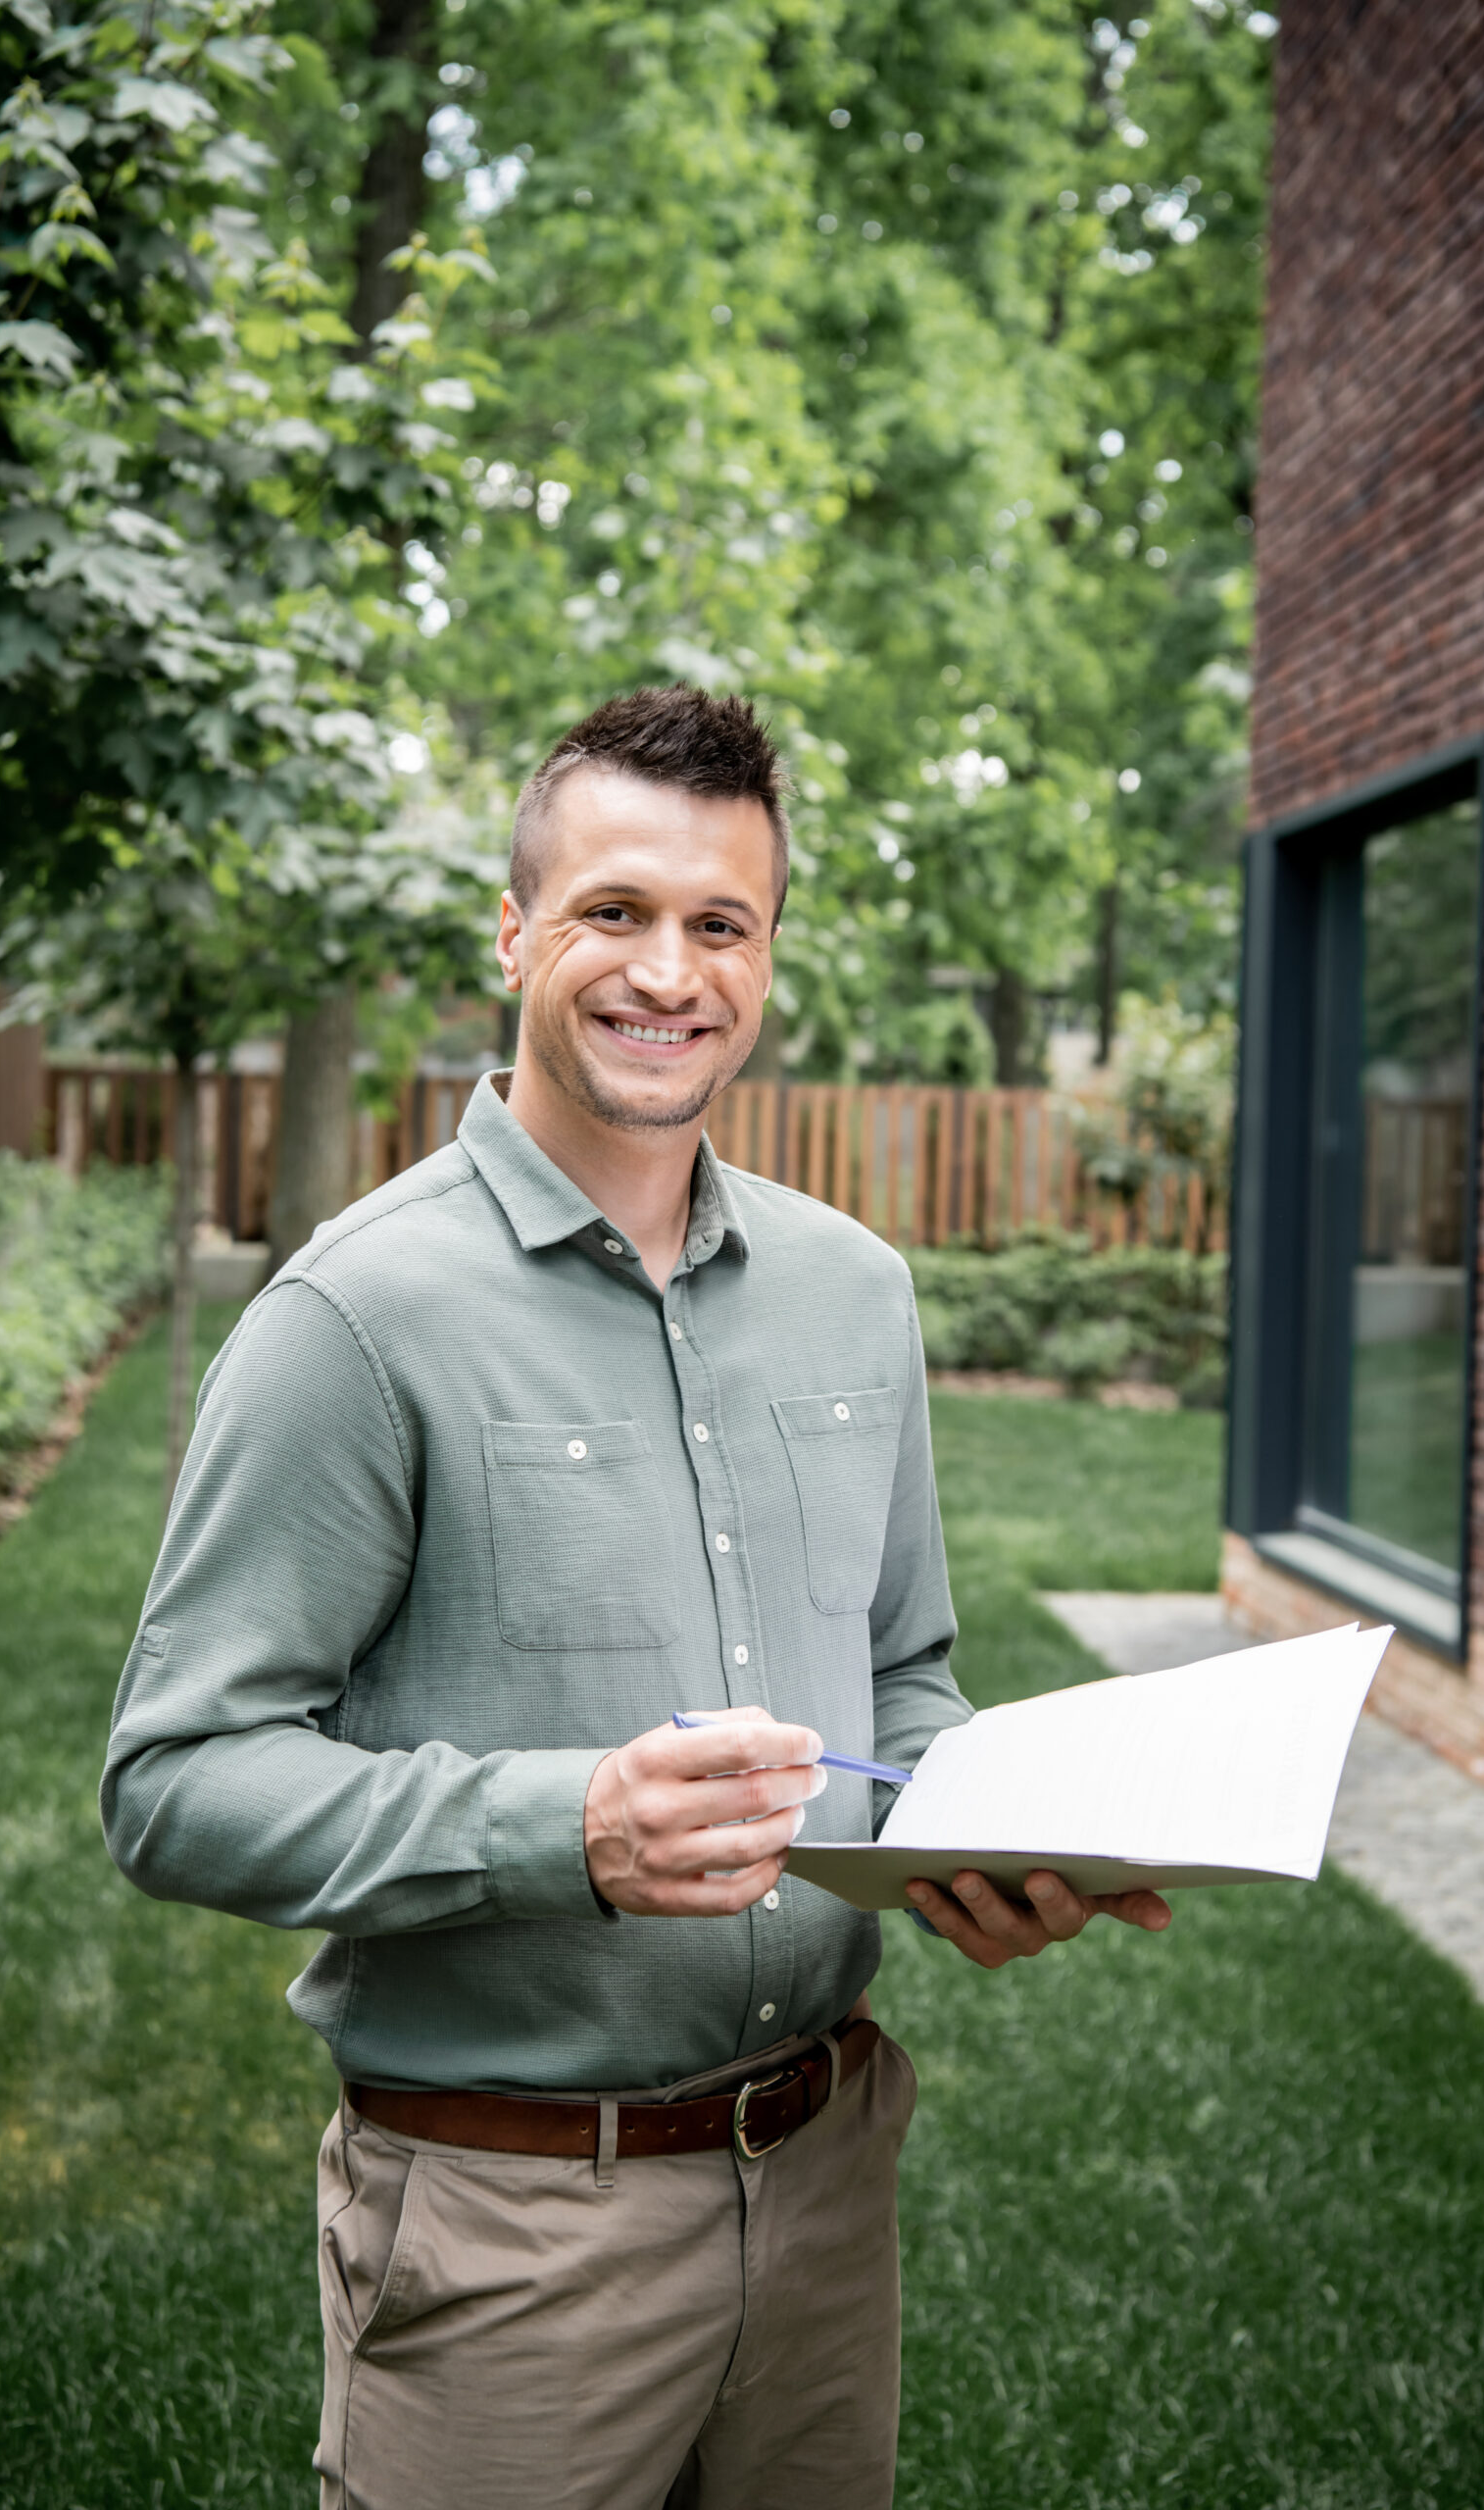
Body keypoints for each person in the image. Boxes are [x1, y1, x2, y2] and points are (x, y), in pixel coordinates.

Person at [102, 683, 1170, 2510]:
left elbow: (900, 1673)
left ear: (767, 958)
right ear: (514, 931)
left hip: (827, 2182)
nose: (665, 971)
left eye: (719, 924)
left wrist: (974, 1834)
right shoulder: (356, 1318)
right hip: (515, 2231)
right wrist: (562, 1826)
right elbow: (176, 1780)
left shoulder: (857, 1293)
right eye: (612, 912)